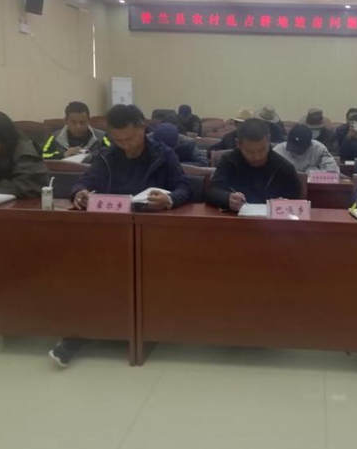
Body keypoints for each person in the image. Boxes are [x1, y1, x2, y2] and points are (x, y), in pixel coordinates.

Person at [50, 105, 191, 367]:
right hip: (113, 232)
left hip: (153, 234)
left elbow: (184, 187)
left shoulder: (164, 154)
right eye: (119, 140)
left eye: (131, 138)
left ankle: (135, 329)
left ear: (142, 128)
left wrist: (169, 199)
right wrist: (79, 192)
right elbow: (85, 181)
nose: (126, 145)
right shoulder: (108, 155)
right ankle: (77, 335)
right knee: (86, 272)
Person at [207, 118, 300, 211]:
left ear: (268, 140)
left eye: (262, 150)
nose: (257, 157)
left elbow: (297, 203)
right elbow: (212, 191)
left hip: (272, 219)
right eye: (250, 152)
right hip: (235, 217)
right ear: (238, 144)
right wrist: (227, 198)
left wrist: (286, 203)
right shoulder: (229, 161)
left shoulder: (283, 168)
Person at [42, 101, 109, 161]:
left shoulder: (102, 137)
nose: (78, 127)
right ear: (66, 120)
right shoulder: (54, 137)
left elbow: (112, 155)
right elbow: (42, 156)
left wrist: (89, 157)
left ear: (89, 120)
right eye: (73, 122)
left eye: (82, 122)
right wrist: (63, 155)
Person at [273, 124, 340, 173]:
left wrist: (313, 172)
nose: (293, 153)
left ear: (309, 145)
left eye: (298, 150)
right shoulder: (278, 151)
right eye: (291, 148)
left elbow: (333, 171)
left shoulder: (318, 149)